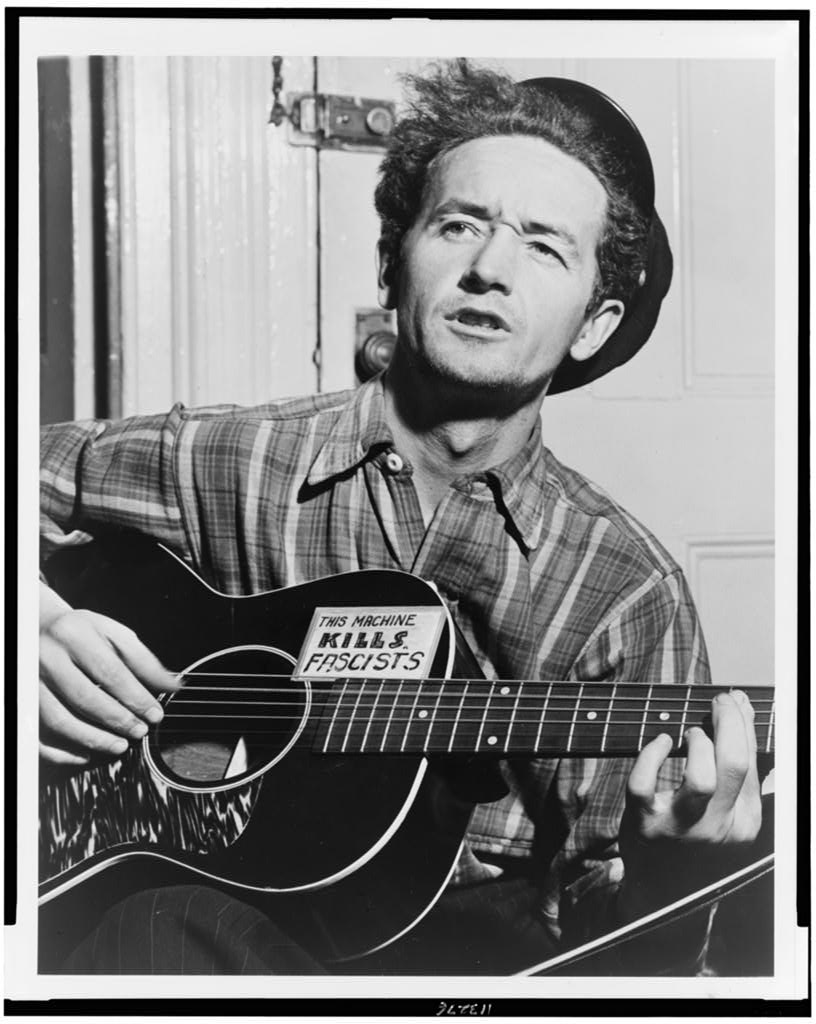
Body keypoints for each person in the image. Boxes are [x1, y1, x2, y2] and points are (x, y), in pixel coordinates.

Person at [38, 60, 764, 975]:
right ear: (393, 262)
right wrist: (30, 619)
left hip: (460, 978)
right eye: (460, 224)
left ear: (593, 322)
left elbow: (614, 957)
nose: (489, 269)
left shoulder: (627, 589)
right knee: (160, 928)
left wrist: (669, 877)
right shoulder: (228, 459)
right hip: (183, 932)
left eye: (545, 247)